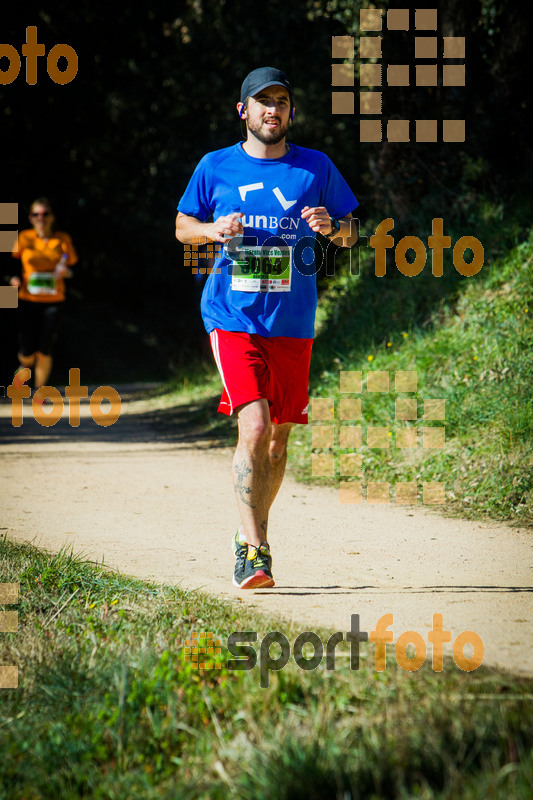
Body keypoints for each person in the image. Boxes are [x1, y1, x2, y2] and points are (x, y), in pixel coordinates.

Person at [175, 67, 358, 589]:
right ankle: (254, 551)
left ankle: (250, 534)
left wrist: (334, 228)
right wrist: (211, 229)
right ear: (244, 111)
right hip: (232, 317)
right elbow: (182, 225)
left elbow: (354, 232)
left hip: (293, 322)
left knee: (277, 441)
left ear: (291, 111)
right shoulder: (216, 166)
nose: (272, 110)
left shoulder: (316, 167)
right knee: (253, 426)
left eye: (281, 101)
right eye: (262, 102)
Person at [10, 197, 78, 394]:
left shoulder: (62, 239)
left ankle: (40, 392)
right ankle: (24, 368)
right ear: (30, 217)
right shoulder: (24, 237)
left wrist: (67, 273)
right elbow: (12, 264)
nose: (41, 218)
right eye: (36, 214)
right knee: (27, 350)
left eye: (45, 214)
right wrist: (13, 279)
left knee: (45, 349)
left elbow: (73, 269)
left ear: (52, 217)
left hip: (54, 300)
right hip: (27, 299)